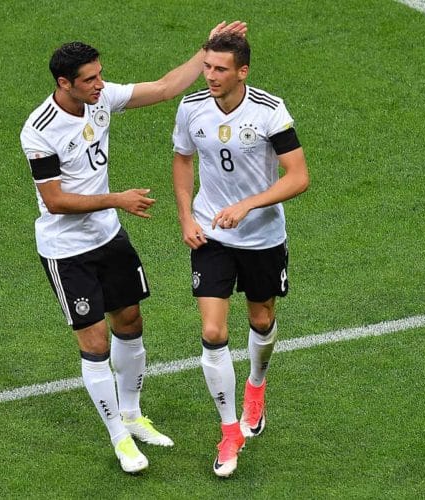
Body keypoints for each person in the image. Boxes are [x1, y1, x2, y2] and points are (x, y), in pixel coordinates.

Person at [19, 21, 247, 474]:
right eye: (89, 79)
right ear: (64, 83)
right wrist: (117, 199)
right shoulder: (39, 130)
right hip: (66, 250)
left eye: (100, 75)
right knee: (95, 340)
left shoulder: (100, 100)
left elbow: (164, 88)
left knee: (130, 320)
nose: (100, 84)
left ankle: (132, 414)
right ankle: (119, 438)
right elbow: (55, 200)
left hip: (108, 237)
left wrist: (205, 51)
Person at [171, 32, 309, 477]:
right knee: (213, 331)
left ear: (242, 71)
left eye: (220, 69)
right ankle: (229, 431)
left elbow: (298, 176)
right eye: (207, 67)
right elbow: (182, 159)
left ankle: (256, 386)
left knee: (262, 320)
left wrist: (248, 205)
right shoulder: (191, 108)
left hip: (262, 237)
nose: (210, 76)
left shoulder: (270, 111)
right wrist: (187, 218)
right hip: (211, 234)